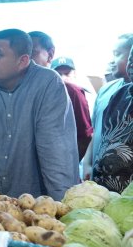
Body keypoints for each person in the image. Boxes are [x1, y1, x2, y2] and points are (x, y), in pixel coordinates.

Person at [0, 29, 79, 200]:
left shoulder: (48, 83)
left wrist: (62, 206)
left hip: (37, 202)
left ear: (23, 61)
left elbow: (55, 149)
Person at [28, 31, 92, 162]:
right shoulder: (14, 92)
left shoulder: (71, 91)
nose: (26, 59)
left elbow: (84, 136)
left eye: (32, 53)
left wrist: (66, 167)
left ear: (50, 54)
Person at [82, 34, 133, 180]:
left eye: (117, 54)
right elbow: (97, 132)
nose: (112, 60)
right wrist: (87, 162)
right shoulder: (109, 92)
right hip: (102, 179)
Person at [50, 57, 93, 160]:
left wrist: (72, 164)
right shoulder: (47, 92)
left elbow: (85, 135)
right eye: (58, 74)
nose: (63, 78)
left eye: (67, 73)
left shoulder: (75, 92)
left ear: (74, 74)